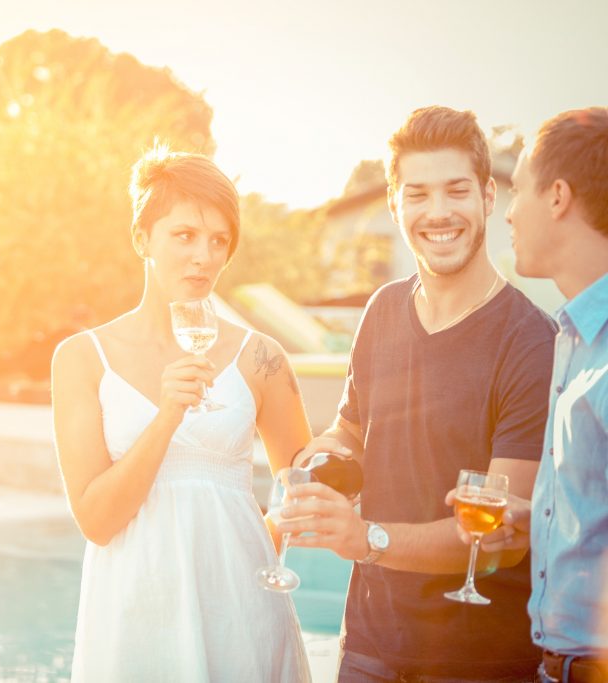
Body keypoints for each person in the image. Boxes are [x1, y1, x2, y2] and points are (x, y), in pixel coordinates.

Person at [278, 106, 556, 681]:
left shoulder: (532, 341)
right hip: (369, 647)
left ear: (487, 196)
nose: (438, 213)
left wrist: (364, 538)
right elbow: (350, 429)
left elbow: (500, 539)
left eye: (456, 190)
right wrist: (318, 462)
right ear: (395, 205)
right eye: (418, 194)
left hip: (480, 658)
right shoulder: (381, 311)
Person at [51, 146, 311, 681]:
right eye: (185, 235)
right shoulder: (81, 359)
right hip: (133, 613)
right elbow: (96, 521)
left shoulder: (262, 358)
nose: (204, 257)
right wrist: (167, 414)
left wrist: (245, 549)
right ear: (141, 238)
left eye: (219, 241)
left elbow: (303, 488)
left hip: (240, 613)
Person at [453, 107, 608, 682]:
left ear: (558, 197)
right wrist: (536, 521)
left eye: (518, 190)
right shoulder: (572, 338)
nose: (509, 213)